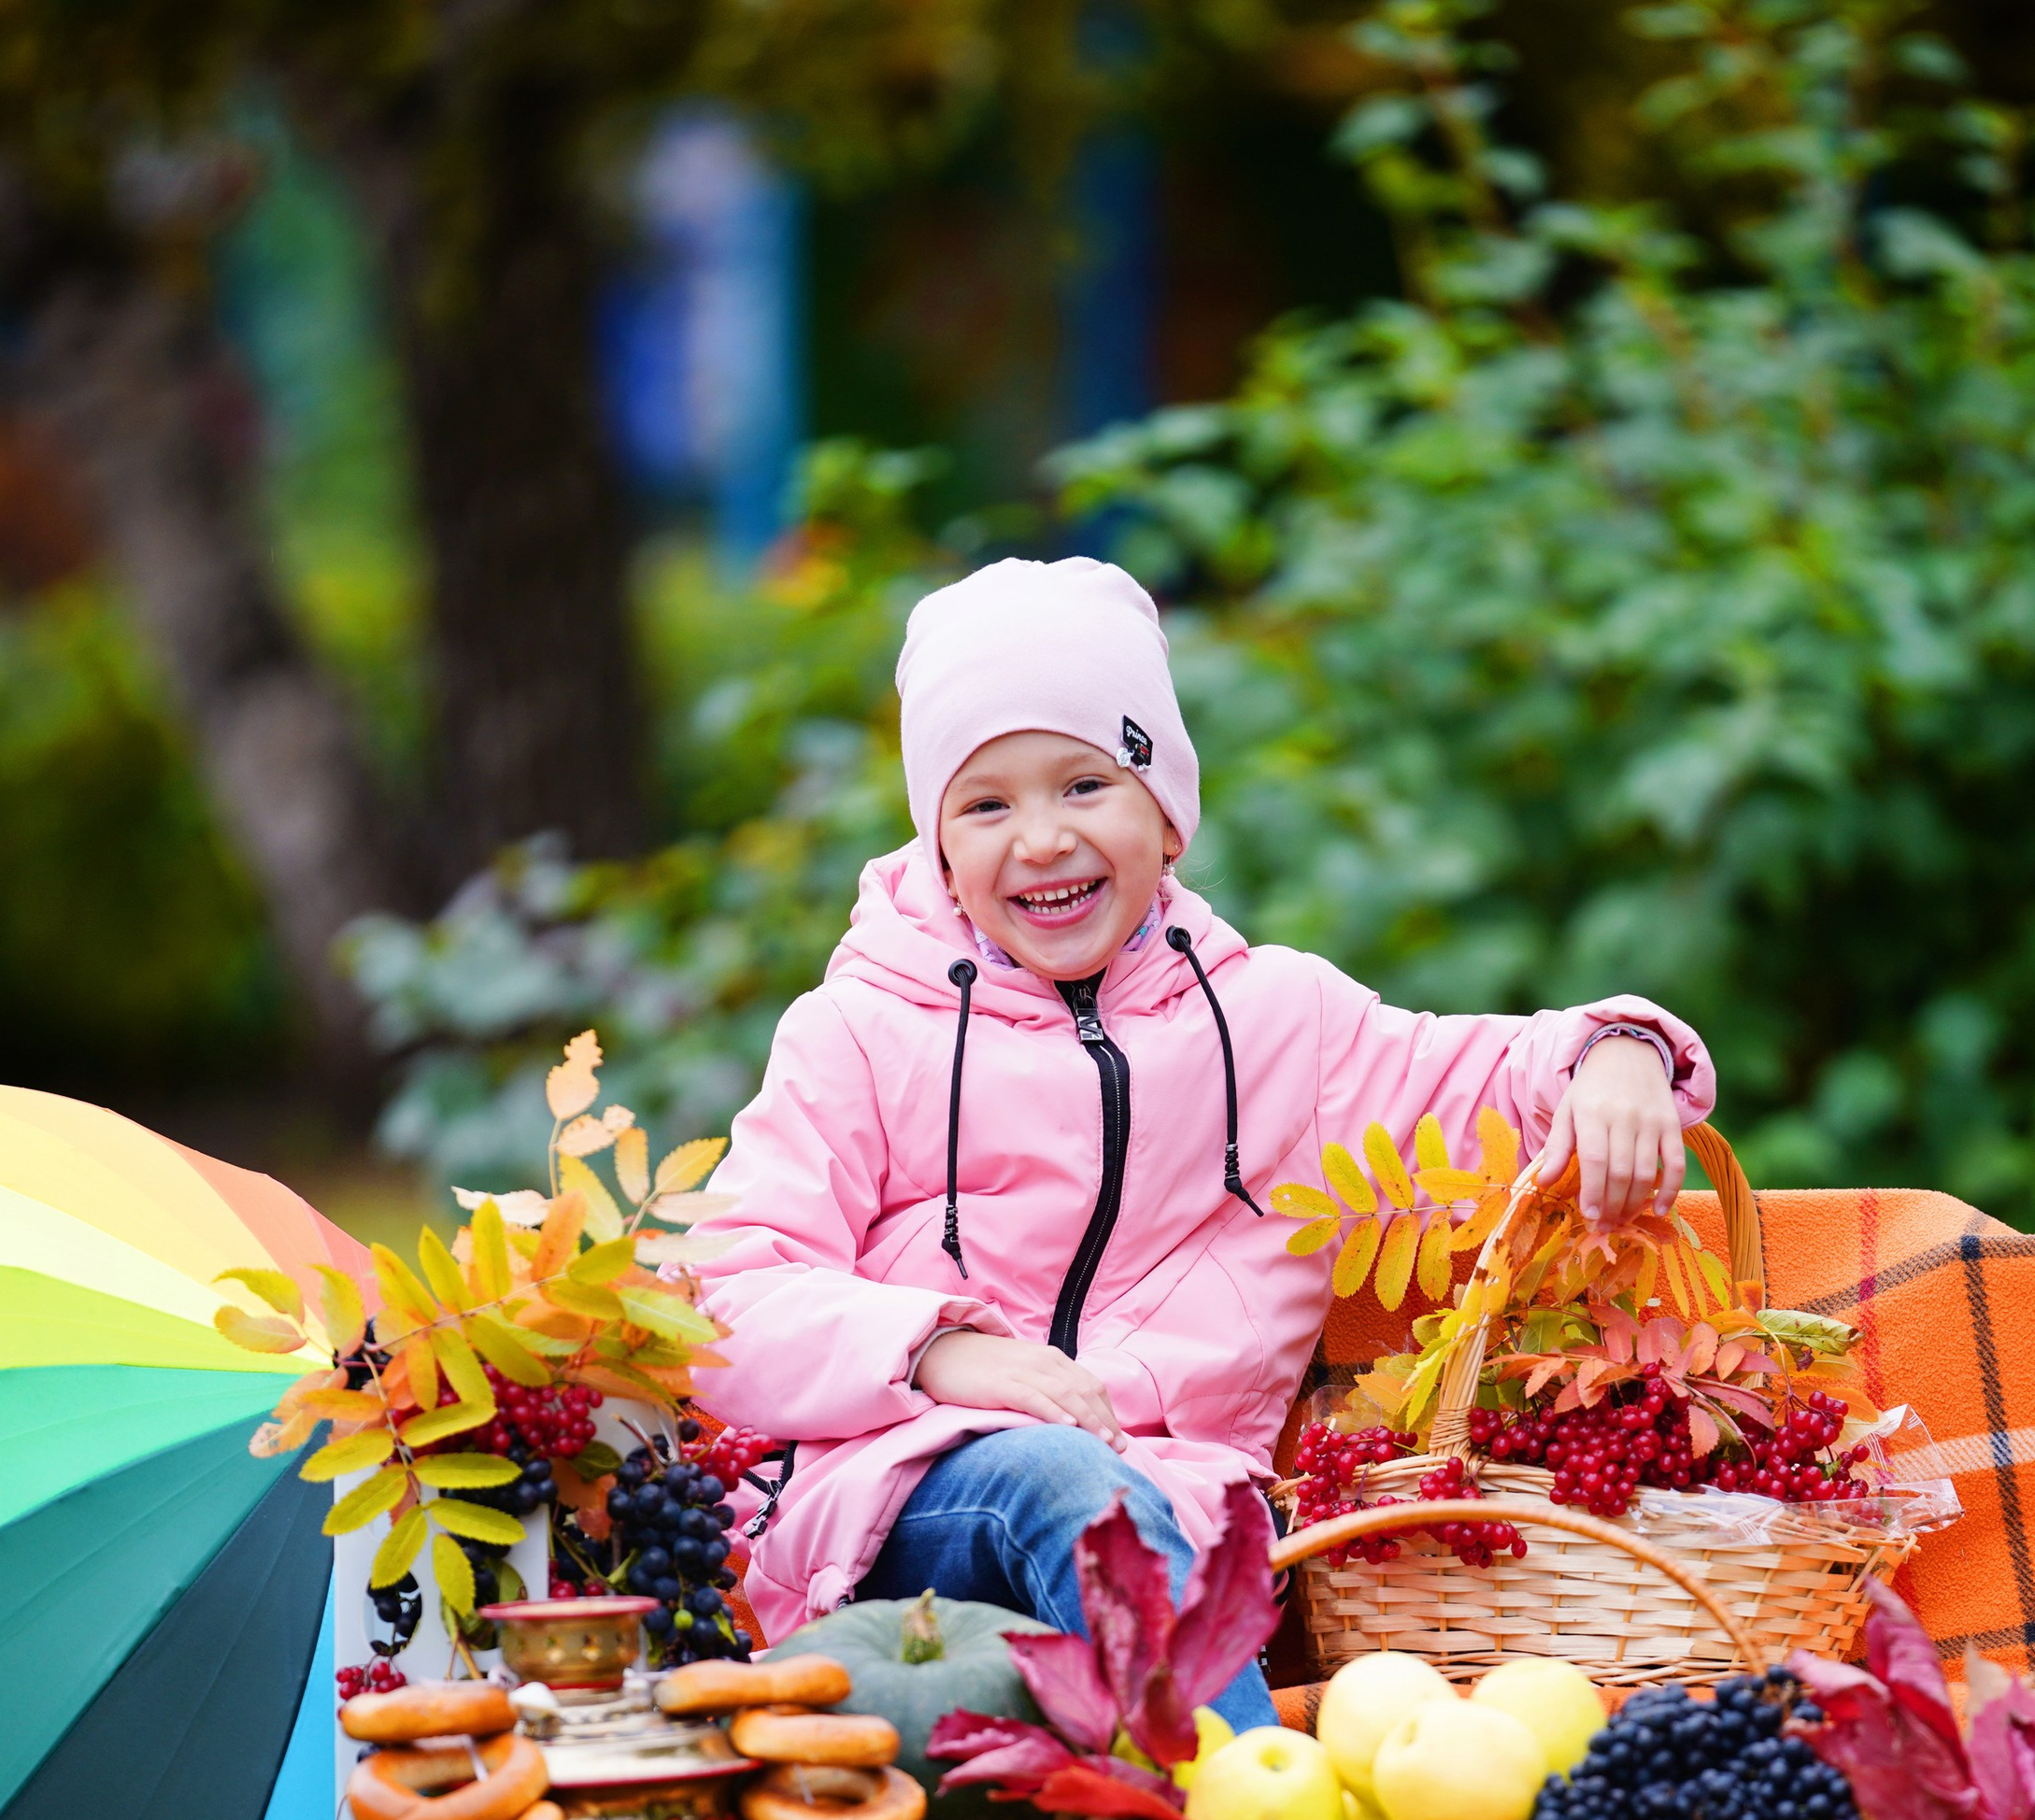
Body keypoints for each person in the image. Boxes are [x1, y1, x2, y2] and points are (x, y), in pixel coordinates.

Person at [698, 558, 1714, 1728]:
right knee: (1066, 1485)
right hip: (900, 1504)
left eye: (1085, 784)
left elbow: (1491, 1076)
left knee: (1119, 1510)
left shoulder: (1283, 1024)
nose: (1038, 839)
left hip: (1181, 1536)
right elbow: (726, 1293)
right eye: (985, 803)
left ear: (1165, 814)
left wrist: (1622, 1050)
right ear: (937, 843)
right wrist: (935, 1353)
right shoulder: (860, 1033)